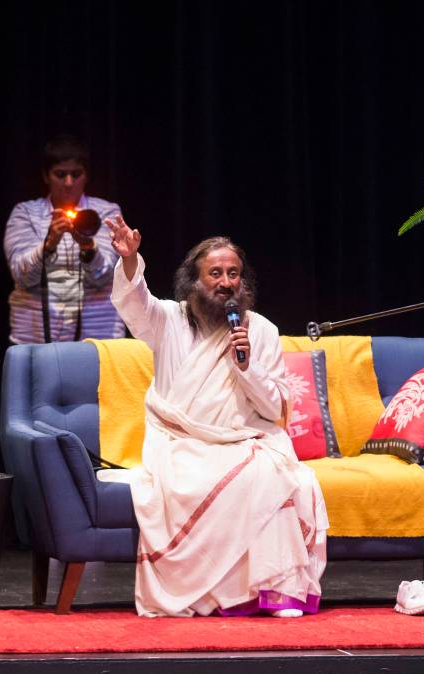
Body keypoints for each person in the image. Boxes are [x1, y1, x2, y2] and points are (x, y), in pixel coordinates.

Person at [102, 214, 328, 618]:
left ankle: (275, 592)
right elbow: (134, 302)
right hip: (180, 442)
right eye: (215, 273)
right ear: (194, 281)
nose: (226, 282)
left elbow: (275, 410)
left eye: (233, 274)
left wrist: (247, 367)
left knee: (272, 473)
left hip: (242, 440)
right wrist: (131, 259)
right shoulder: (167, 320)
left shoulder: (261, 331)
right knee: (219, 478)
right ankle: (209, 597)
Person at [4, 135, 125, 343]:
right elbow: (22, 276)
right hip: (35, 339)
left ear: (86, 176)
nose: (69, 183)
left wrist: (87, 247)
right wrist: (49, 245)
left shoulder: (106, 213)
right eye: (60, 174)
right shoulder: (25, 213)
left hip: (97, 340)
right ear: (46, 176)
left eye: (76, 174)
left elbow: (104, 276)